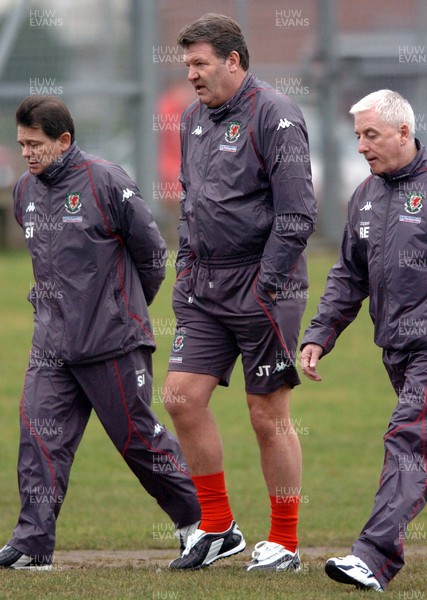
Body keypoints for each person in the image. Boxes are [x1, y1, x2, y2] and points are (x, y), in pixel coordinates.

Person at [0, 95, 200, 571]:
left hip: (112, 341)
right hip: (51, 344)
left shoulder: (105, 180)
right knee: (39, 438)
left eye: (36, 143)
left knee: (138, 439)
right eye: (22, 143)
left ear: (64, 141)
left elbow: (152, 254)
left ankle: (202, 524)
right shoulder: (24, 191)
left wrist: (121, 308)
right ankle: (33, 543)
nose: (27, 152)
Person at [162, 14, 317, 571]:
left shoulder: (276, 114)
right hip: (205, 285)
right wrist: (185, 276)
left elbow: (298, 214)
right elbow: (190, 203)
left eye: (200, 63)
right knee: (180, 396)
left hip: (264, 285)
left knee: (265, 412)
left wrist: (265, 284)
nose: (192, 75)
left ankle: (284, 542)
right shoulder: (191, 120)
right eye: (188, 65)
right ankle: (219, 526)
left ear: (234, 61)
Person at [301, 89, 427, 593]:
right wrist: (319, 335)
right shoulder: (366, 196)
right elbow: (349, 276)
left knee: (408, 443)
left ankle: (372, 559)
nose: (360, 147)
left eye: (370, 135)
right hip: (395, 349)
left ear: (404, 132)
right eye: (357, 136)